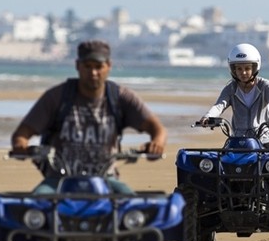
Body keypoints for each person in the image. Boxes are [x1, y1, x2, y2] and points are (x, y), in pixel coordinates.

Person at [10, 39, 168, 193]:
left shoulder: (120, 98)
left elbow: (157, 129)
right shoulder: (57, 97)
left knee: (134, 206)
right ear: (78, 66)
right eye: (87, 66)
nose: (93, 72)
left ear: (109, 66)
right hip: (58, 181)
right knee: (36, 204)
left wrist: (156, 144)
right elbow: (22, 133)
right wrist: (20, 146)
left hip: (107, 179)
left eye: (98, 66)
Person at [197, 43, 269, 143]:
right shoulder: (231, 88)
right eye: (239, 69)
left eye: (247, 68)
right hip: (238, 139)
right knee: (224, 157)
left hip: (264, 138)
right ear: (233, 70)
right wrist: (207, 116)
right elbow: (219, 105)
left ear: (255, 68)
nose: (243, 72)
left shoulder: (265, 85)